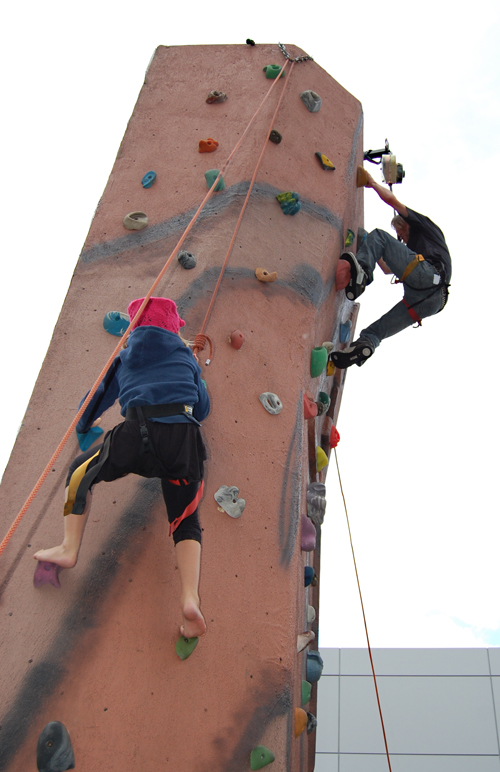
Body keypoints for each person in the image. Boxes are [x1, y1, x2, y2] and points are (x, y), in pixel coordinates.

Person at [34, 297, 210, 640]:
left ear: (134, 329)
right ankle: (190, 598)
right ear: (174, 327)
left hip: (137, 432)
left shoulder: (126, 356)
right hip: (183, 439)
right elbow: (202, 409)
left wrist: (86, 422)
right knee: (185, 518)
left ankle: (69, 548)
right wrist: (197, 380)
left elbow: (97, 397)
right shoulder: (186, 358)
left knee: (79, 475)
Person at [331, 169, 451, 368]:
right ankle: (364, 345)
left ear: (404, 226)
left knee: (379, 236)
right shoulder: (414, 254)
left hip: (431, 277)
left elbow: (393, 201)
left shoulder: (422, 226)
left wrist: (372, 183)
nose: (401, 240)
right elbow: (387, 270)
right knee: (377, 331)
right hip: (430, 303)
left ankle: (361, 273)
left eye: (400, 234)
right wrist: (367, 245)